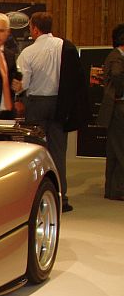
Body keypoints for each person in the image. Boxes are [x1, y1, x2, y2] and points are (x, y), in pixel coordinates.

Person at [13, 12, 90, 212]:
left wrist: (15, 91)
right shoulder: (64, 46)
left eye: (30, 27)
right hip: (59, 104)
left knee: (35, 153)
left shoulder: (28, 53)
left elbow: (23, 84)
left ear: (35, 28)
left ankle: (35, 197)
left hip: (36, 104)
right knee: (58, 152)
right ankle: (61, 198)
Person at [98, 24, 124, 201]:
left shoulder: (115, 56)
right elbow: (116, 75)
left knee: (115, 150)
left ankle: (112, 189)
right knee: (120, 149)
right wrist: (121, 92)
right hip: (118, 108)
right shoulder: (117, 58)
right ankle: (118, 189)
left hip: (115, 109)